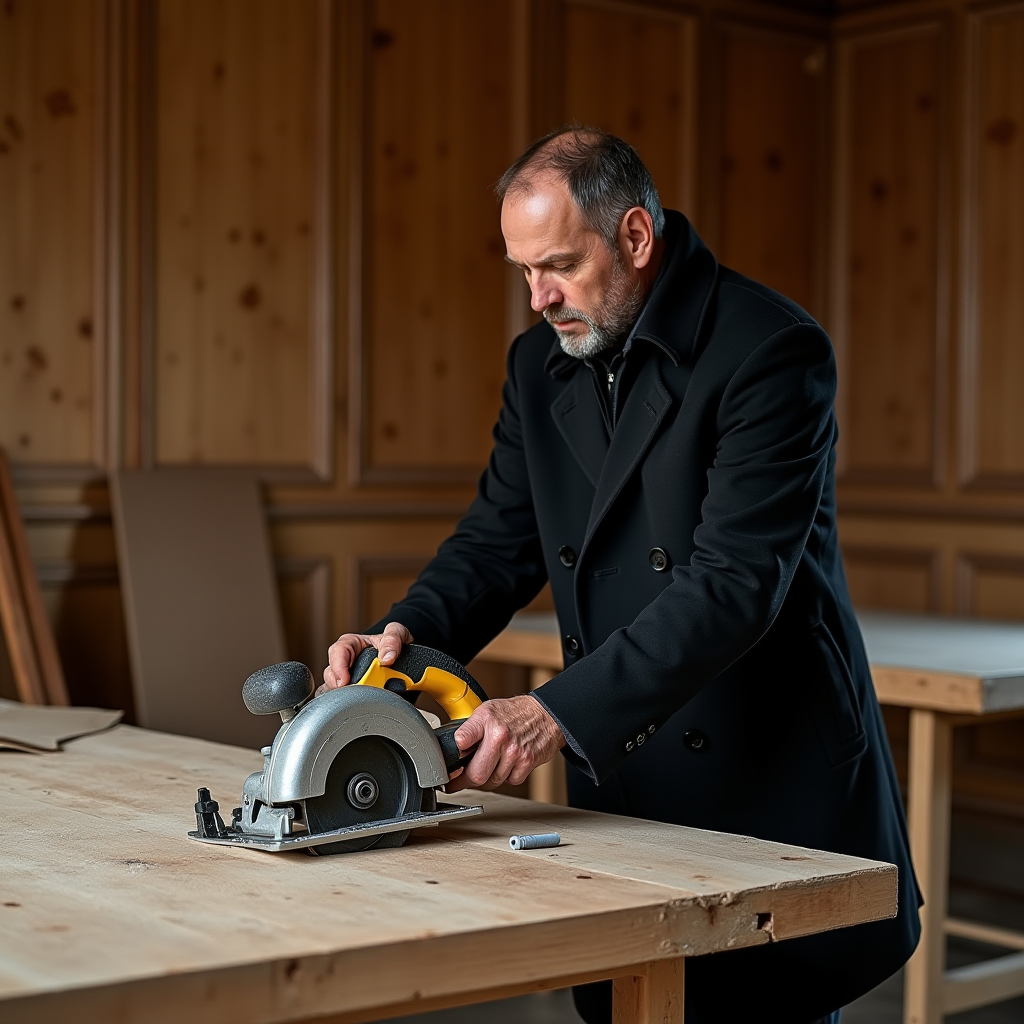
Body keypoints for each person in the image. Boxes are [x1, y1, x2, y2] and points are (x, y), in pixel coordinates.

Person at [318, 127, 921, 1024]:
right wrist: (406, 632)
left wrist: (552, 713)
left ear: (636, 236)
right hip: (629, 768)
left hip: (764, 772)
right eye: (524, 271)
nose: (540, 297)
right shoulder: (538, 364)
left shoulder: (770, 348)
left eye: (558, 265)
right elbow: (498, 537)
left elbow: (733, 584)